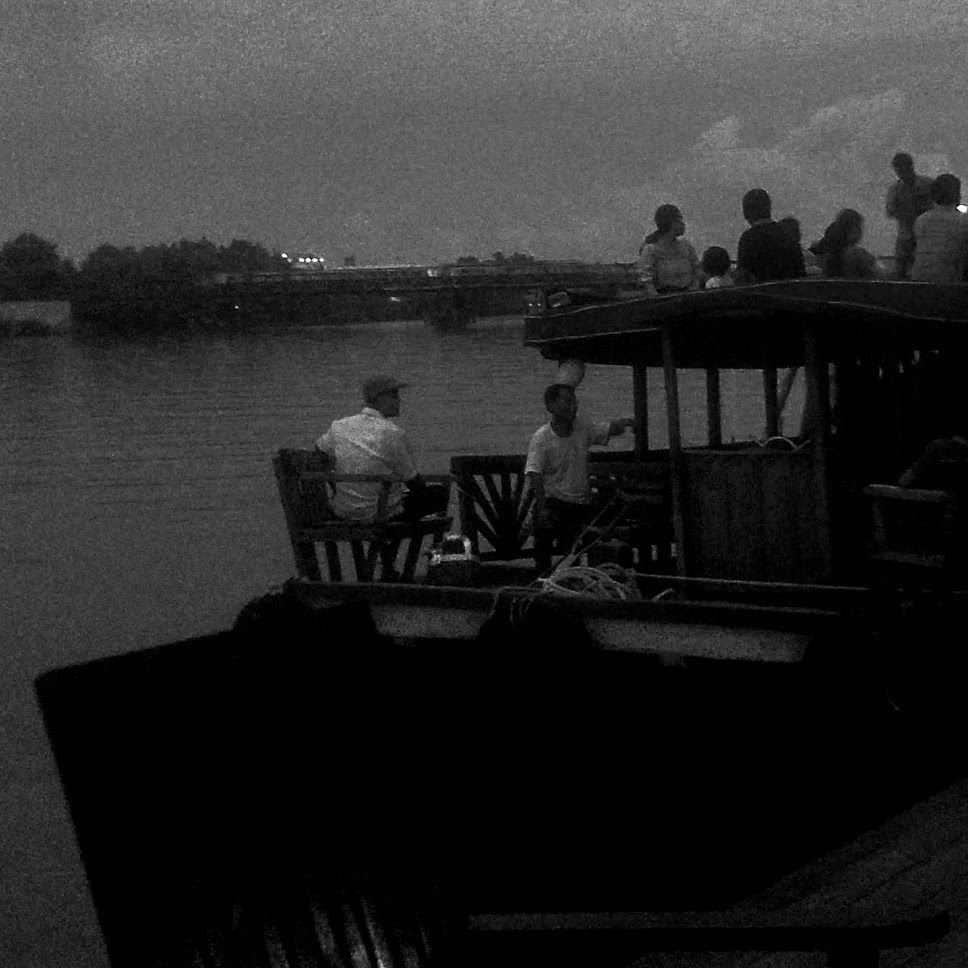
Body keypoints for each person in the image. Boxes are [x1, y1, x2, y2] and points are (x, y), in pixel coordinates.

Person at [524, 383, 634, 571]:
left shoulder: (582, 428)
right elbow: (535, 473)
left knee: (573, 544)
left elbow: (606, 429)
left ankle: (571, 577)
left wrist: (627, 422)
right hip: (554, 501)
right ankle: (543, 576)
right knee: (544, 535)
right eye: (565, 401)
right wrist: (541, 507)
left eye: (573, 401)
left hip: (580, 503)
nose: (571, 406)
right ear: (550, 406)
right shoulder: (542, 437)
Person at [315, 374, 448, 522]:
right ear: (379, 398)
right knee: (439, 493)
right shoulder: (392, 433)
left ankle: (384, 544)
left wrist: (335, 483)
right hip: (380, 512)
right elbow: (412, 480)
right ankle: (401, 544)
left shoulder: (339, 426)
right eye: (394, 395)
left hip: (344, 510)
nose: (399, 400)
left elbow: (320, 451)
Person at [735, 189, 806, 284]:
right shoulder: (787, 234)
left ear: (745, 213)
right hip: (792, 294)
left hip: (764, 296)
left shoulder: (748, 239)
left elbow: (743, 277)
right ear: (769, 208)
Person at [909, 174, 968, 284]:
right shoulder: (963, 221)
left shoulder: (921, 220)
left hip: (919, 280)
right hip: (949, 283)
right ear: (957, 194)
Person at [885, 152, 934, 279]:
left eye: (903, 168)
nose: (900, 173)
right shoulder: (895, 189)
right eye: (898, 169)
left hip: (924, 234)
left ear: (910, 167)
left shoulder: (928, 185)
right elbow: (890, 211)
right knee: (899, 271)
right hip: (906, 236)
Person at [637, 204, 701, 295]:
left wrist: (694, 289)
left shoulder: (686, 245)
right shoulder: (650, 250)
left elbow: (697, 269)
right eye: (679, 220)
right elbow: (646, 279)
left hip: (687, 294)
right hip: (664, 296)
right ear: (670, 223)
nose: (683, 224)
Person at [808, 209, 882, 279]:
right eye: (860, 227)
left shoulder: (822, 252)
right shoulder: (858, 255)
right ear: (854, 230)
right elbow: (881, 275)